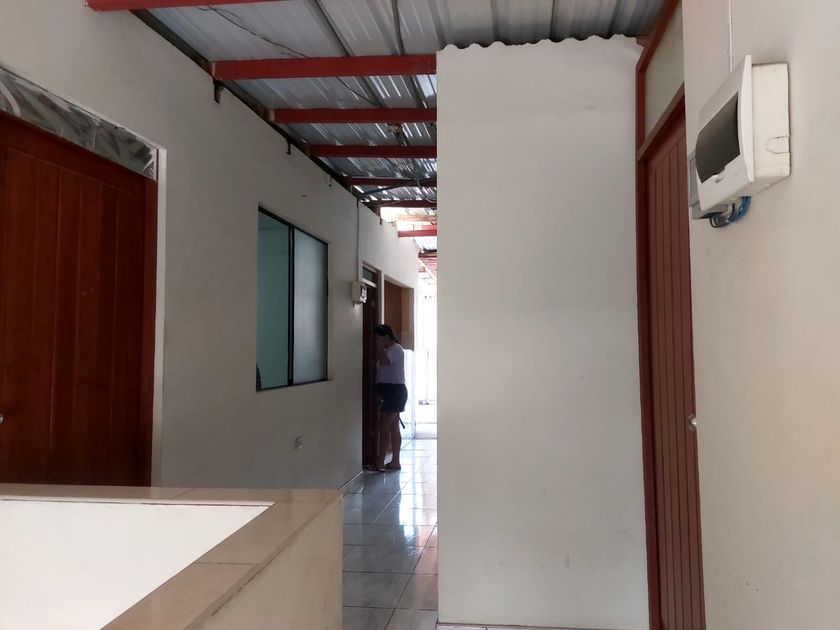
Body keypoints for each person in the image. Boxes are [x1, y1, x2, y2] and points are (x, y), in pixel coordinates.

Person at [374, 324, 408, 472]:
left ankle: (380, 462)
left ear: (386, 337)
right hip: (390, 392)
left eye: (378, 338)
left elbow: (384, 362)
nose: (376, 341)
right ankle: (395, 462)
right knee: (393, 427)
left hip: (394, 392)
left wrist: (380, 347)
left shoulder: (396, 349)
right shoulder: (388, 350)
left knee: (384, 427)